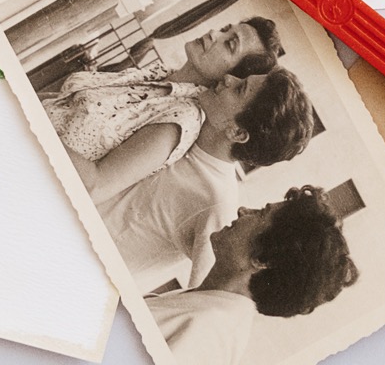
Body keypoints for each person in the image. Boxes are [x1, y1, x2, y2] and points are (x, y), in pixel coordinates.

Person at [92, 66, 317, 285]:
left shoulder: (217, 200)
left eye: (240, 89)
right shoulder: (187, 126)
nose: (228, 78)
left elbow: (206, 290)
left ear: (238, 132)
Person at [144, 187, 359, 365]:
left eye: (260, 214)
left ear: (262, 259)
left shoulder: (208, 333)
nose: (243, 210)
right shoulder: (208, 310)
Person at [42, 18, 281, 170]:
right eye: (224, 30)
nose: (212, 33)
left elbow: (96, 185)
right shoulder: (160, 72)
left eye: (229, 44)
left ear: (230, 75)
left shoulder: (182, 118)